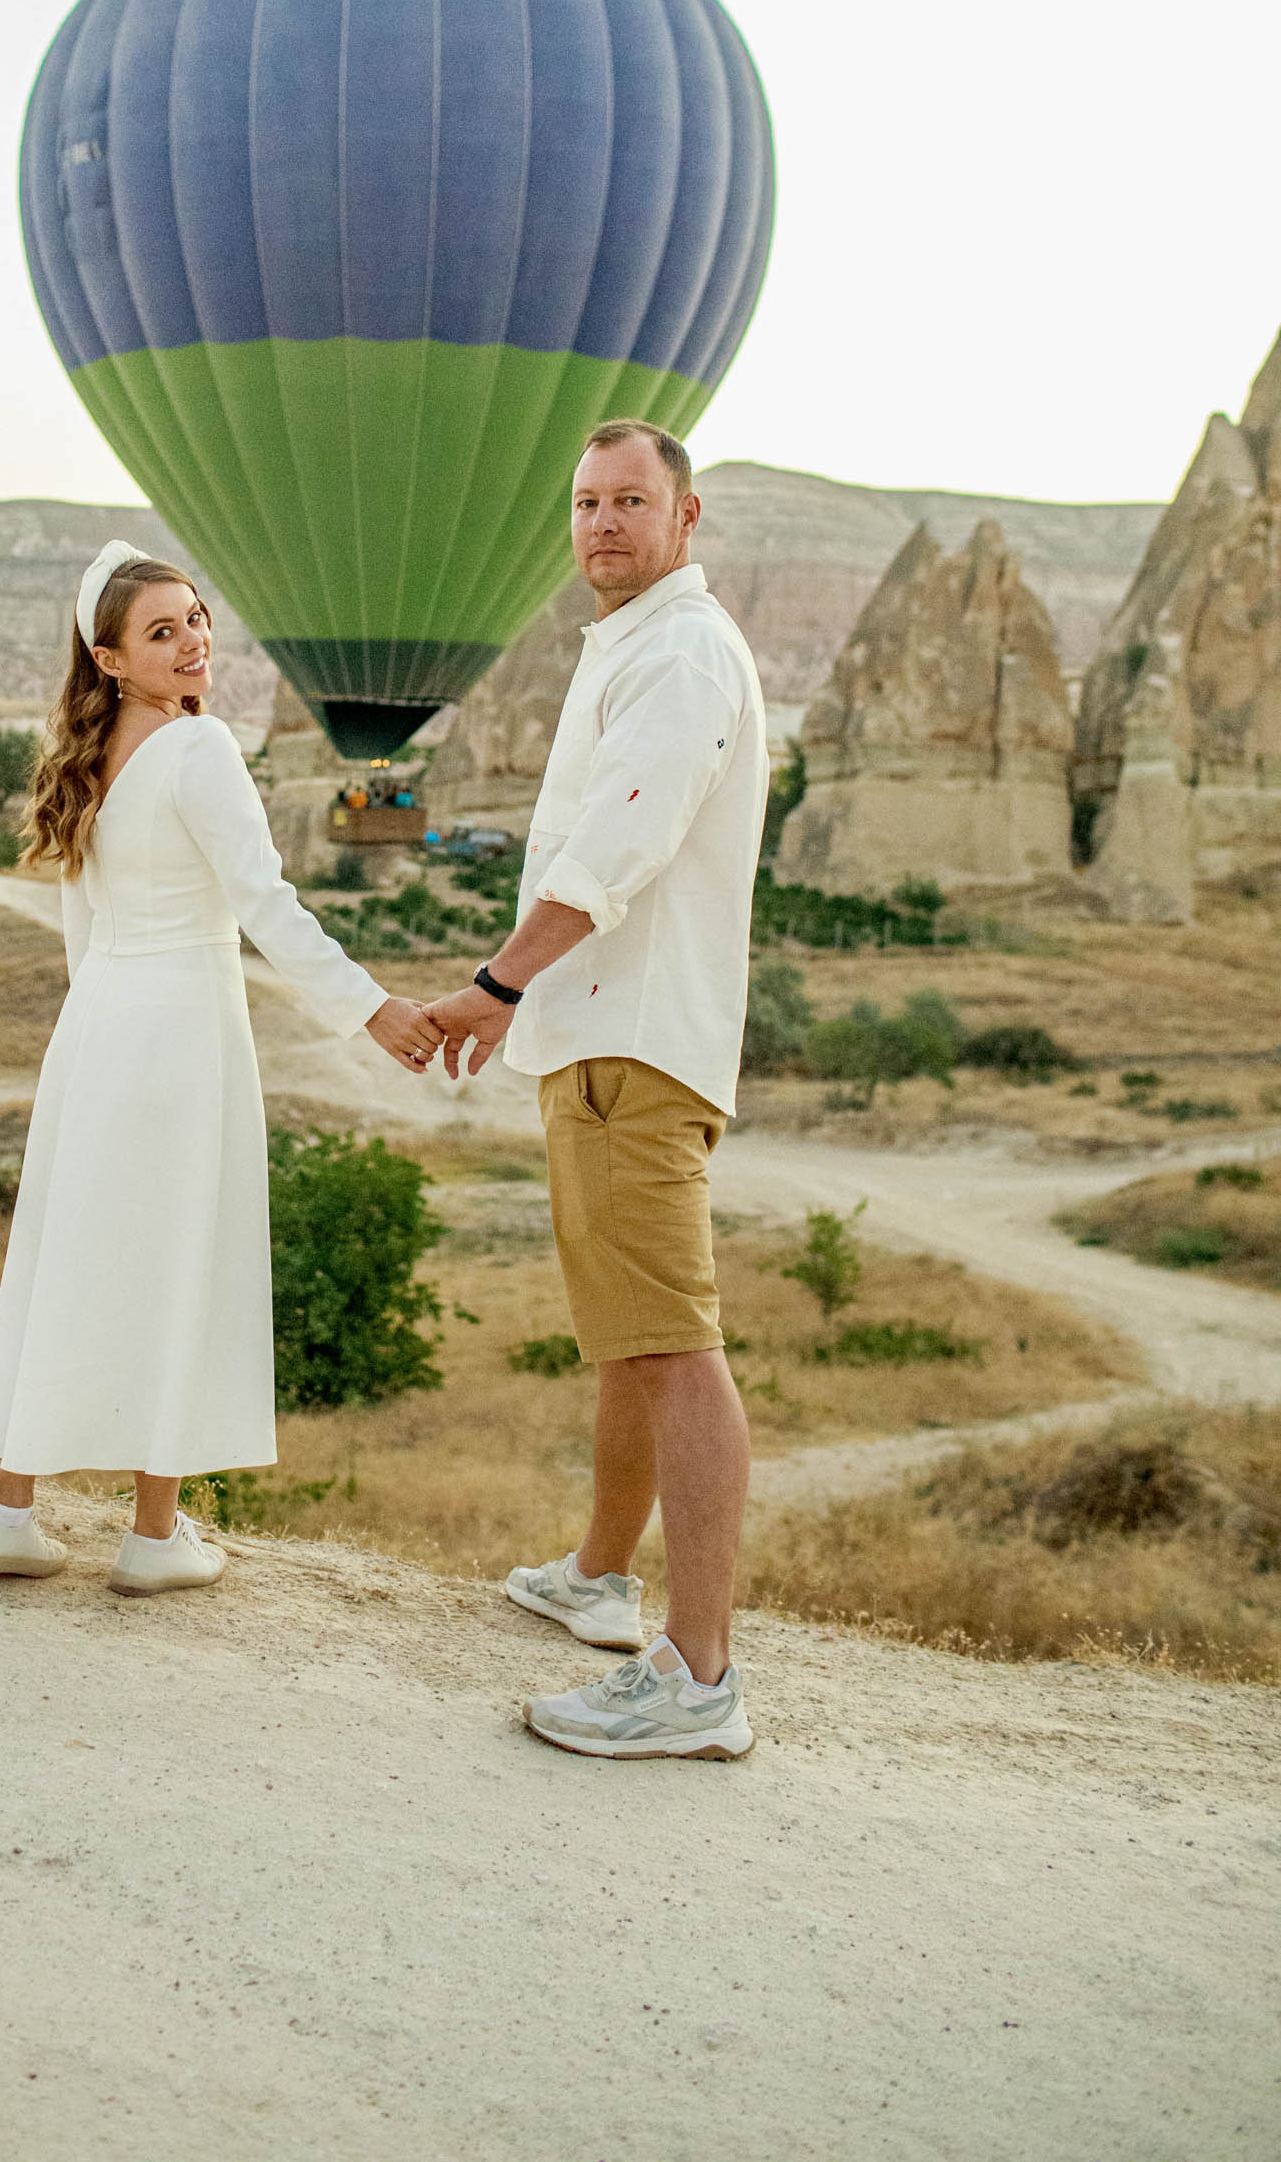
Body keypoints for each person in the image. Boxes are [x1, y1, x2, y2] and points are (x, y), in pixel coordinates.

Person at [0, 541, 440, 1597]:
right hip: (181, 1030)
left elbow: (82, 925)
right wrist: (371, 1007)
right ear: (109, 658)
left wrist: (100, 1026)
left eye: (197, 621)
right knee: (179, 1258)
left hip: (100, 1026)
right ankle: (153, 1532)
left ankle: (5, 1506)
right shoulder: (199, 746)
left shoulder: (90, 760)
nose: (193, 644)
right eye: (162, 631)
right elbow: (266, 903)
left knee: (74, 1252)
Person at [424, 421, 766, 1759]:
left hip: (630, 1037)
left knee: (672, 1344)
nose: (604, 522)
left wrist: (492, 986)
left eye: (632, 500)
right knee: (632, 1335)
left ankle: (697, 1678)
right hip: (606, 1034)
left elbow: (616, 848)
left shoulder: (681, 654)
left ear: (686, 518)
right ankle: (597, 1578)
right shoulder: (636, 645)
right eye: (586, 502)